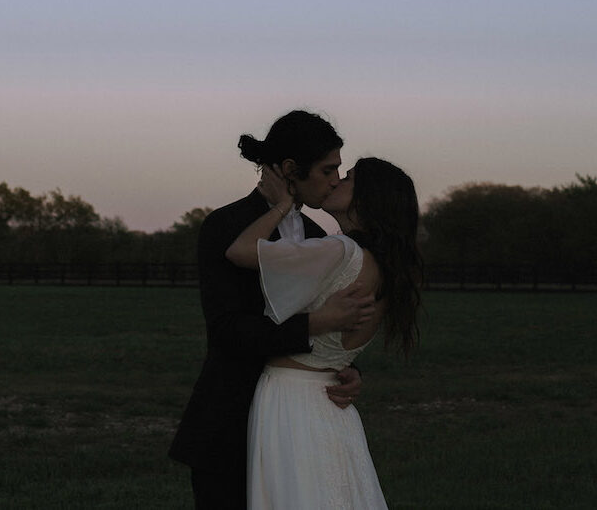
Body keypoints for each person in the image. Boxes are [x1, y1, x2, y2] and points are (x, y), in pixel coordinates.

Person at [169, 110, 377, 510]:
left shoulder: (318, 235)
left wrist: (345, 368)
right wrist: (317, 323)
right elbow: (228, 330)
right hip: (231, 420)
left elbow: (333, 322)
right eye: (327, 169)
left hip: (297, 426)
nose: (336, 179)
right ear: (291, 169)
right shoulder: (224, 226)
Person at [226, 156, 423, 510]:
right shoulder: (387, 268)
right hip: (332, 406)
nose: (335, 181)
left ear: (367, 197)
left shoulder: (340, 250)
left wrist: (283, 204)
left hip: (289, 400)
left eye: (347, 178)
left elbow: (240, 251)